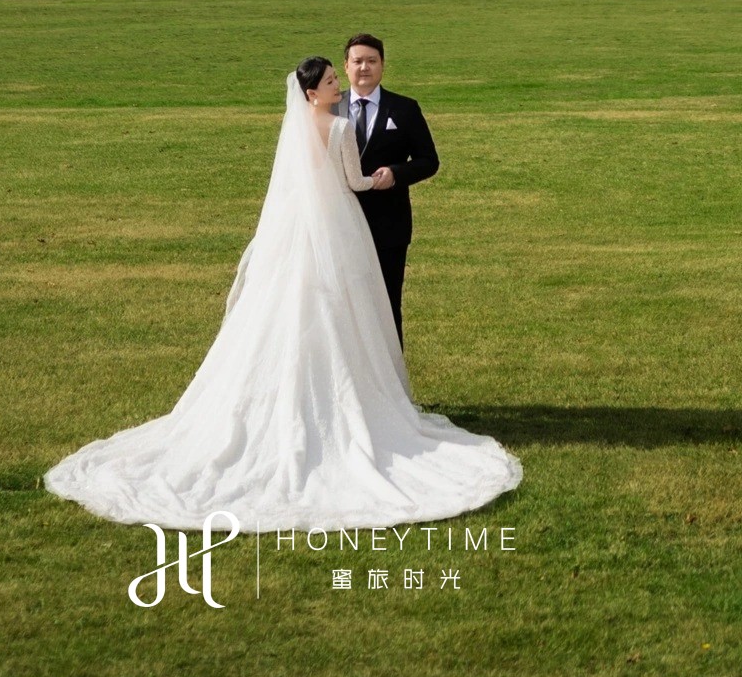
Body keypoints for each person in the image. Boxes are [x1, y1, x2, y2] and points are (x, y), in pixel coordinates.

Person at [44, 55, 520, 529]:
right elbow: (353, 181)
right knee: (344, 312)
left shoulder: (297, 128)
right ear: (313, 91)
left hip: (297, 234)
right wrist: (380, 178)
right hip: (339, 229)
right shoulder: (339, 129)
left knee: (291, 310)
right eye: (333, 78)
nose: (340, 83)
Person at [335, 32, 437, 341]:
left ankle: (391, 383)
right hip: (339, 224)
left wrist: (396, 173)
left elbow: (428, 160)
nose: (364, 67)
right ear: (346, 66)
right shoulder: (329, 108)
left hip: (388, 225)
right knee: (341, 307)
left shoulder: (404, 108)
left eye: (371, 61)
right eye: (357, 61)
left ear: (382, 65)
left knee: (386, 304)